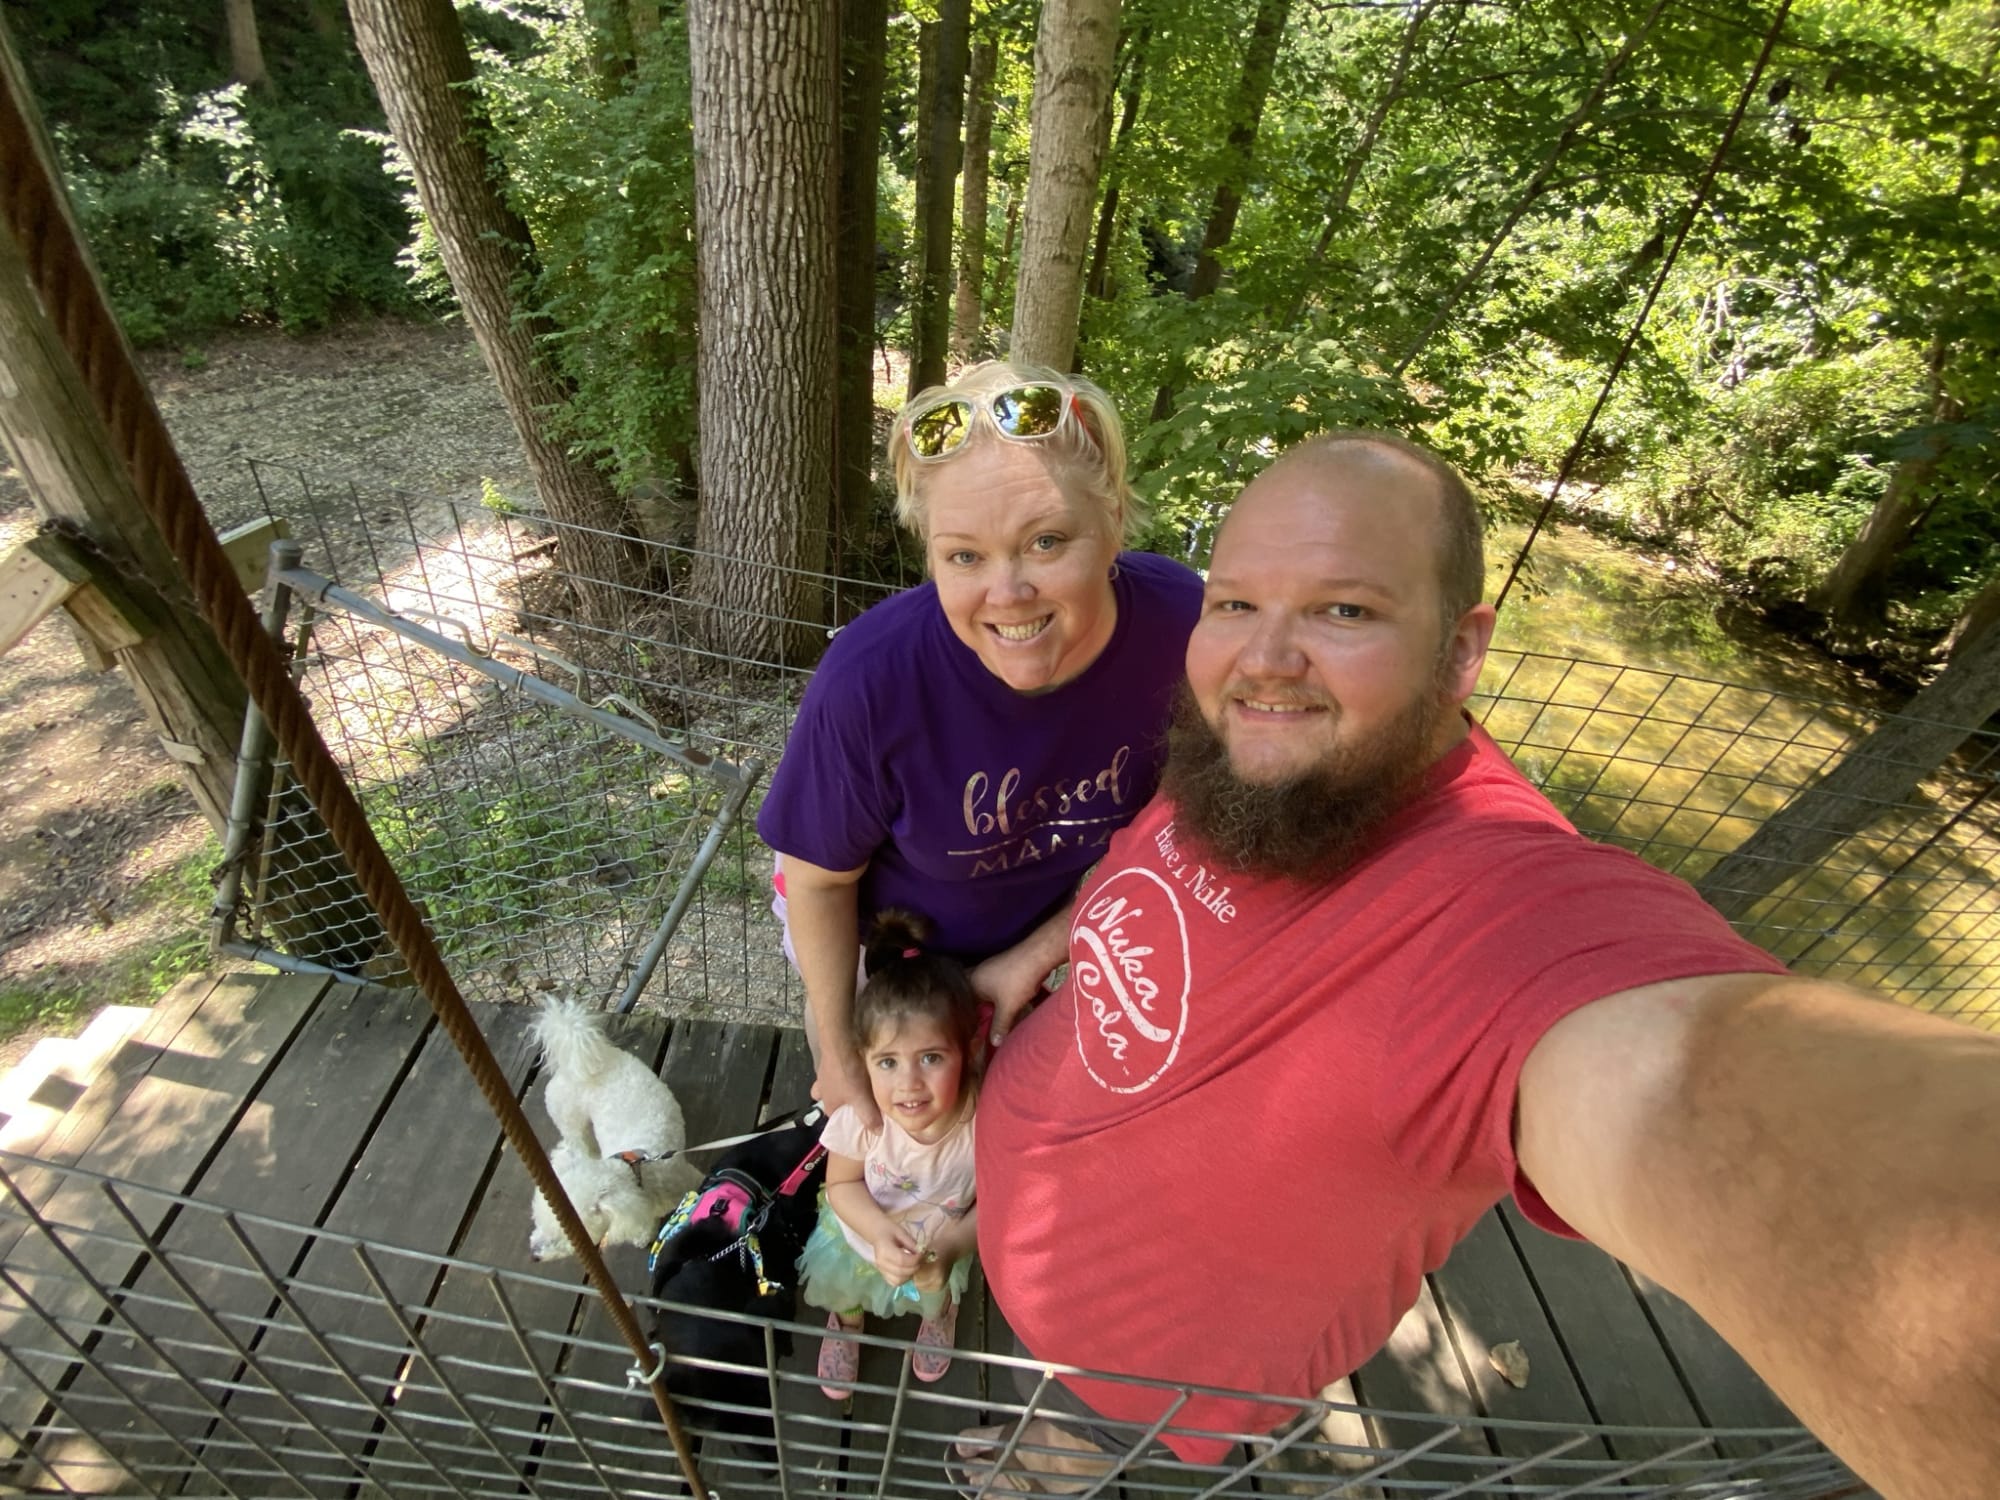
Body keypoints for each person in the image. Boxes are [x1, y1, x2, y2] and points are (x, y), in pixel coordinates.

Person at [961, 433, 2000, 1498]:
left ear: (1460, 652)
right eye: (1232, 604)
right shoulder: (1249, 756)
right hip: (991, 1203)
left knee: (1050, 1454)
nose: (1261, 659)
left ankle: (1055, 1468)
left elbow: (1687, 1082)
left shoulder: (1498, 904)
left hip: (1135, 1382)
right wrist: (1032, 962)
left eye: (1343, 611)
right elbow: (1146, 875)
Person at [757, 362, 1204, 1129]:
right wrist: (837, 1051)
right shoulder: (871, 682)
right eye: (964, 556)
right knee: (898, 1143)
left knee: (1008, 1135)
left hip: (1046, 932)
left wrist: (1037, 955)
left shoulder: (1184, 632)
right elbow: (819, 885)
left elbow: (1191, 821)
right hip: (888, 960)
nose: (1007, 593)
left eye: (1046, 541)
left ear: (1116, 524)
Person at [798, 911, 982, 1398]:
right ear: (863, 1062)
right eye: (887, 1062)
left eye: (931, 1057)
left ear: (968, 1049)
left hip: (945, 1245)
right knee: (848, 1287)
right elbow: (841, 1184)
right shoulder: (865, 1119)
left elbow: (1001, 1204)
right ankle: (847, 1319)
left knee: (933, 1293)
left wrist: (952, 1249)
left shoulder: (985, 1121)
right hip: (860, 1239)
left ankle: (939, 1314)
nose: (909, 1084)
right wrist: (879, 1235)